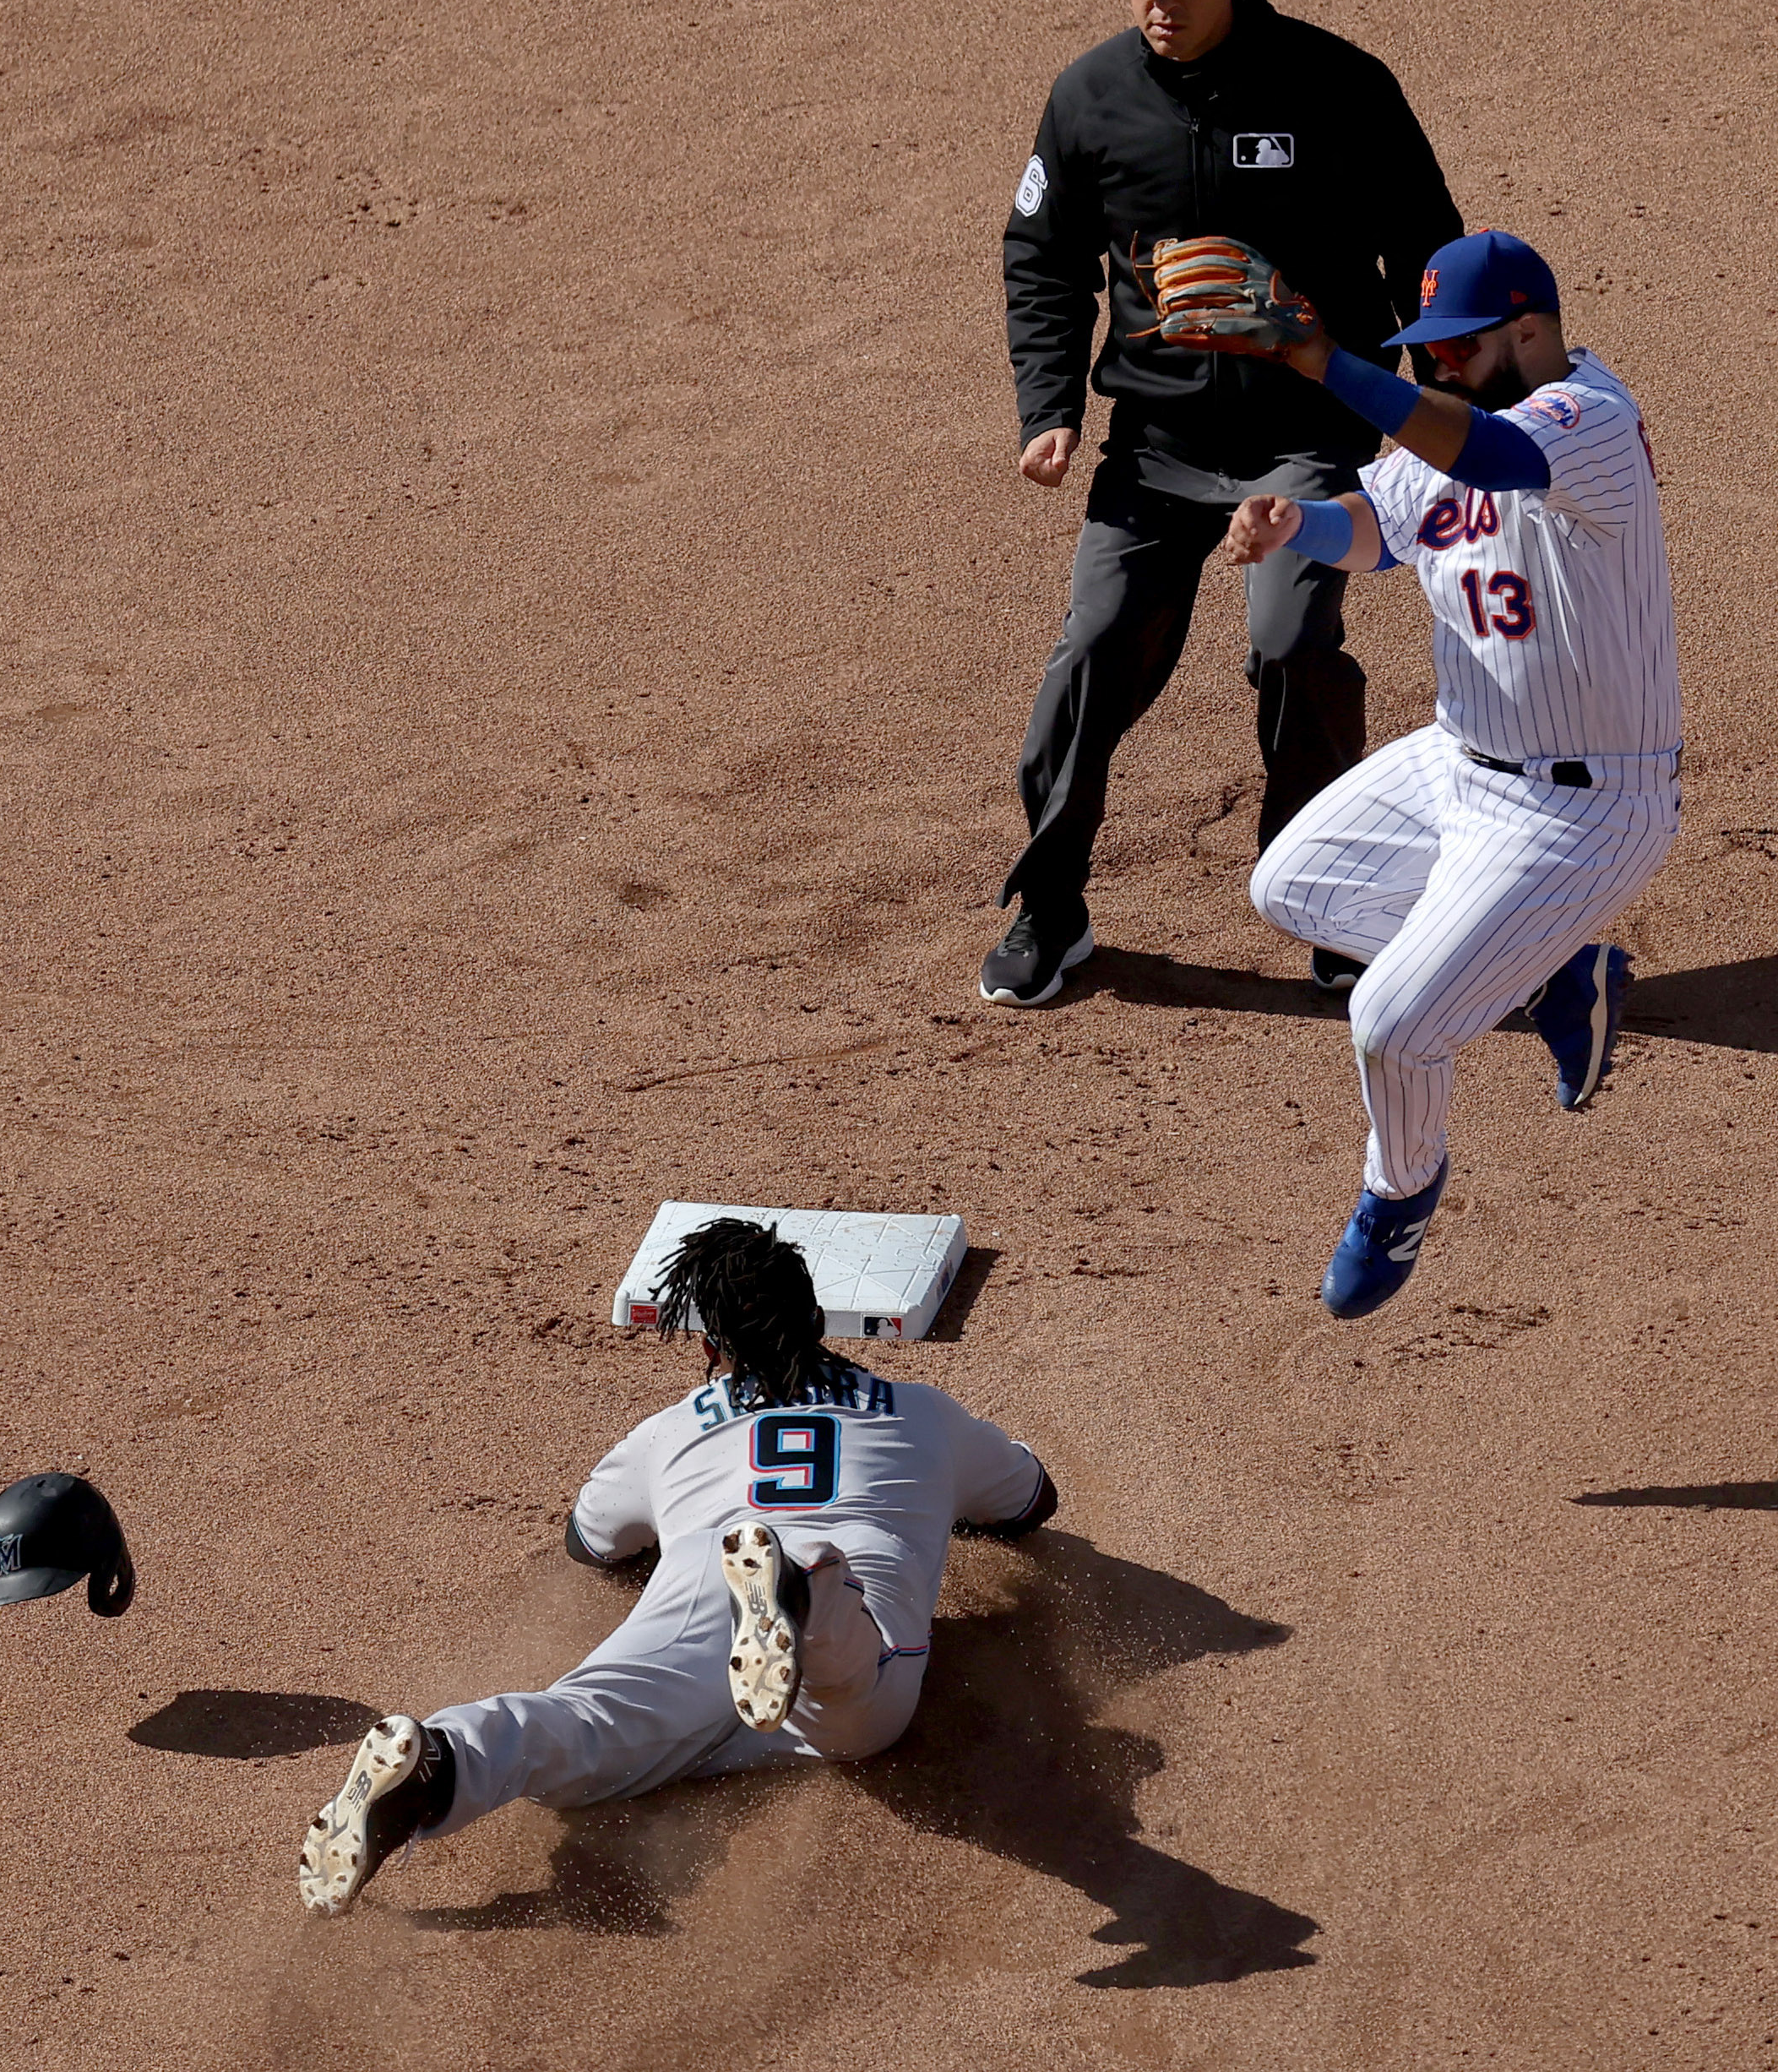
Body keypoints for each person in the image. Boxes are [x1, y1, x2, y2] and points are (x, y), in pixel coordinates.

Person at [987, 0, 1464, 1008]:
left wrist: (1420, 414)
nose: (1162, 0)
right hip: (1152, 445)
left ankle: (1329, 897)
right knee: (1091, 652)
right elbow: (1040, 259)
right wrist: (1049, 405)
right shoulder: (1090, 98)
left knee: (1290, 636)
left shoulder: (1338, 85)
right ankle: (1049, 910)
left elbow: (1426, 250)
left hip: (1306, 434)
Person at [1179, 229, 1680, 1318]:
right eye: (1428, 346)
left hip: (1584, 806)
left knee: (1395, 1023)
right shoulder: (1447, 425)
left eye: (1459, 345)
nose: (1438, 361)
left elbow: (1483, 461)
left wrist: (1317, 358)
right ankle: (1551, 975)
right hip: (1459, 761)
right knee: (1291, 887)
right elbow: (1383, 528)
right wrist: (1295, 521)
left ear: (1529, 332)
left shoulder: (1586, 420)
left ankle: (1398, 1194)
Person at [295, 1218, 1057, 1913]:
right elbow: (1031, 1502)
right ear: (819, 1321)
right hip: (835, 1590)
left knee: (582, 1732)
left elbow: (591, 1543)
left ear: (708, 1349)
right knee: (858, 1707)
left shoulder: (666, 1435)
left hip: (698, 1584)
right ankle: (802, 1593)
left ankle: (443, 1757)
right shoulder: (923, 1413)